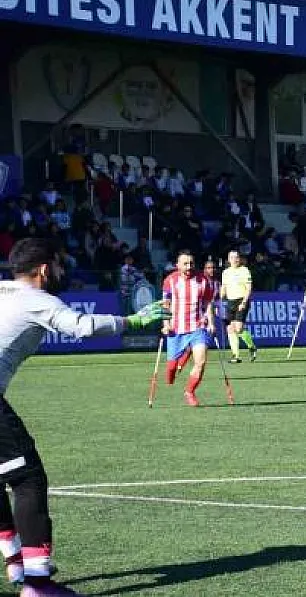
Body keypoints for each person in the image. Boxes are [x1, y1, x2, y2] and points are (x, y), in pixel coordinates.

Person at [0, 238, 168, 595]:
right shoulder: (38, 300)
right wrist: (133, 322)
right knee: (28, 479)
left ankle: (16, 561)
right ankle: (38, 583)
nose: (63, 270)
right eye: (58, 264)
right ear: (44, 269)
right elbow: (82, 327)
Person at [162, 252, 218, 407]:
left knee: (201, 361)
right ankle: (172, 373)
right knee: (171, 368)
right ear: (177, 265)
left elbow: (208, 303)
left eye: (191, 263)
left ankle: (189, 391)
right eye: (185, 264)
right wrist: (166, 324)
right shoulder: (170, 281)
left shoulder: (203, 280)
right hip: (176, 328)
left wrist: (211, 323)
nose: (189, 267)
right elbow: (166, 305)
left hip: (198, 326)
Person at [221, 250, 257, 364]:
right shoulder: (225, 272)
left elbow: (248, 287)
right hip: (230, 302)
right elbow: (224, 287)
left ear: (239, 259)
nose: (234, 260)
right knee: (230, 329)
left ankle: (252, 346)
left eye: (236, 257)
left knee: (239, 328)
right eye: (232, 257)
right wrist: (221, 298)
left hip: (241, 300)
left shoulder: (244, 270)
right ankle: (235, 356)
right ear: (228, 259)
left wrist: (244, 302)